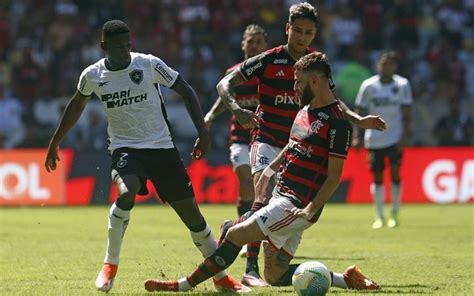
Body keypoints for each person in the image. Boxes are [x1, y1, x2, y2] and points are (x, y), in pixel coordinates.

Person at [143, 51, 380, 293]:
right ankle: (346, 279)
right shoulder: (305, 110)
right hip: (281, 195)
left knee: (234, 234)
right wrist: (269, 170)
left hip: (295, 205)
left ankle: (182, 285)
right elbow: (293, 145)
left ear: (315, 81)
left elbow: (334, 177)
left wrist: (309, 210)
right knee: (274, 274)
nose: (294, 87)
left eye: (298, 82)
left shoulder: (337, 123)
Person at [44, 20, 249, 293]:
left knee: (194, 218)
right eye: (118, 47)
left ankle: (221, 277)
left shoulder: (149, 64)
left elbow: (186, 90)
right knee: (126, 192)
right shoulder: (92, 75)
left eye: (128, 45)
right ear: (104, 46)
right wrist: (55, 142)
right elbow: (76, 105)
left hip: (162, 149)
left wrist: (204, 133)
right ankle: (110, 265)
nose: (126, 51)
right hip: (125, 148)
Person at [215, 3, 385, 233]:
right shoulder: (268, 59)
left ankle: (233, 228)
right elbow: (224, 83)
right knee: (262, 196)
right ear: (287, 28)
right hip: (265, 138)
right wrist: (236, 109)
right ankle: (251, 266)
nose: (302, 37)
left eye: (308, 33)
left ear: (315, 34)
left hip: (294, 146)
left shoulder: (317, 63)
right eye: (297, 30)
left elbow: (330, 100)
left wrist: (358, 119)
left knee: (276, 211)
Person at [203, 24, 268, 287]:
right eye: (250, 41)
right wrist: (210, 115)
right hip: (241, 138)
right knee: (246, 182)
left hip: (265, 138)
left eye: (258, 41)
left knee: (261, 192)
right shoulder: (234, 74)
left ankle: (236, 228)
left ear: (265, 45)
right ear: (243, 44)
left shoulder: (269, 73)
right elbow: (224, 96)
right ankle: (246, 237)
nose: (254, 45)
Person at [352, 51, 413, 229]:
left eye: (391, 64)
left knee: (395, 172)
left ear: (395, 66)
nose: (388, 67)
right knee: (377, 176)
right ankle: (379, 216)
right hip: (374, 138)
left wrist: (404, 137)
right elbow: (360, 112)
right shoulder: (368, 86)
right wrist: (358, 136)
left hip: (394, 137)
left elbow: (407, 114)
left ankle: (394, 213)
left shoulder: (403, 85)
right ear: (379, 65)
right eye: (384, 64)